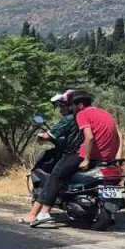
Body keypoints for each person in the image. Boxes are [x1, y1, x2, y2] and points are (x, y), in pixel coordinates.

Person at [23, 91, 122, 226]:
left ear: (79, 105)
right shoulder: (104, 113)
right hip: (106, 157)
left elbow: (89, 137)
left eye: (72, 105)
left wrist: (86, 159)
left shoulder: (82, 114)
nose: (71, 108)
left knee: (56, 177)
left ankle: (43, 214)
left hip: (83, 154)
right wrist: (115, 156)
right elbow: (119, 135)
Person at [22, 91, 83, 226]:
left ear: (70, 105)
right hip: (84, 154)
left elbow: (50, 135)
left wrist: (41, 135)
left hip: (71, 154)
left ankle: (39, 214)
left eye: (62, 106)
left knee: (53, 179)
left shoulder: (69, 119)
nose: (60, 109)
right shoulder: (84, 117)